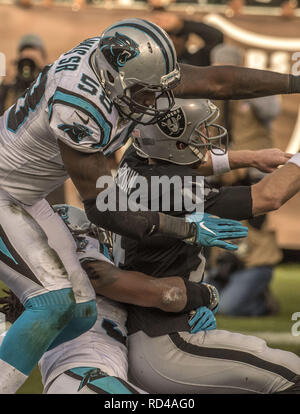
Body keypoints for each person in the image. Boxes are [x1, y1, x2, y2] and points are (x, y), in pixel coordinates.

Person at [0, 17, 300, 394]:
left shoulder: (131, 145)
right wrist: (194, 253)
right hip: (8, 194)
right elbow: (104, 209)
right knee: (54, 301)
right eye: (146, 94)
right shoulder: (81, 110)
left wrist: (292, 88)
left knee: (77, 310)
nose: (153, 101)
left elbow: (217, 83)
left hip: (35, 200)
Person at [111, 98, 300, 393]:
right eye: (195, 135)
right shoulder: (176, 189)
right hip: (168, 342)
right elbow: (268, 197)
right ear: (177, 146)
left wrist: (249, 157)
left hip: (145, 329)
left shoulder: (136, 159)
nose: (203, 138)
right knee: (292, 375)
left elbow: (184, 159)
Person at [0, 204, 218, 394]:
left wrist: (185, 317)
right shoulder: (84, 274)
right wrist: (207, 296)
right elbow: (165, 294)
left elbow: (149, 308)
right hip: (83, 377)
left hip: (93, 379)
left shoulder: (61, 293)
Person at [206, 43, 282, 316]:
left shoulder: (254, 91)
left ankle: (256, 289)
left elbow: (272, 111)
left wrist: (247, 89)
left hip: (254, 174)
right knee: (218, 228)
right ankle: (224, 270)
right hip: (222, 175)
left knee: (255, 224)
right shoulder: (207, 97)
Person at [152, 12, 224, 67]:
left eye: (178, 36)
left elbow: (217, 37)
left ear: (185, 40)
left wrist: (182, 24)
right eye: (167, 36)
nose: (172, 41)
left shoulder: (196, 59)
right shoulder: (154, 60)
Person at [0, 34, 47, 115]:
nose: (28, 68)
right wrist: (5, 85)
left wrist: (45, 71)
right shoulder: (15, 83)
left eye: (32, 62)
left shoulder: (49, 77)